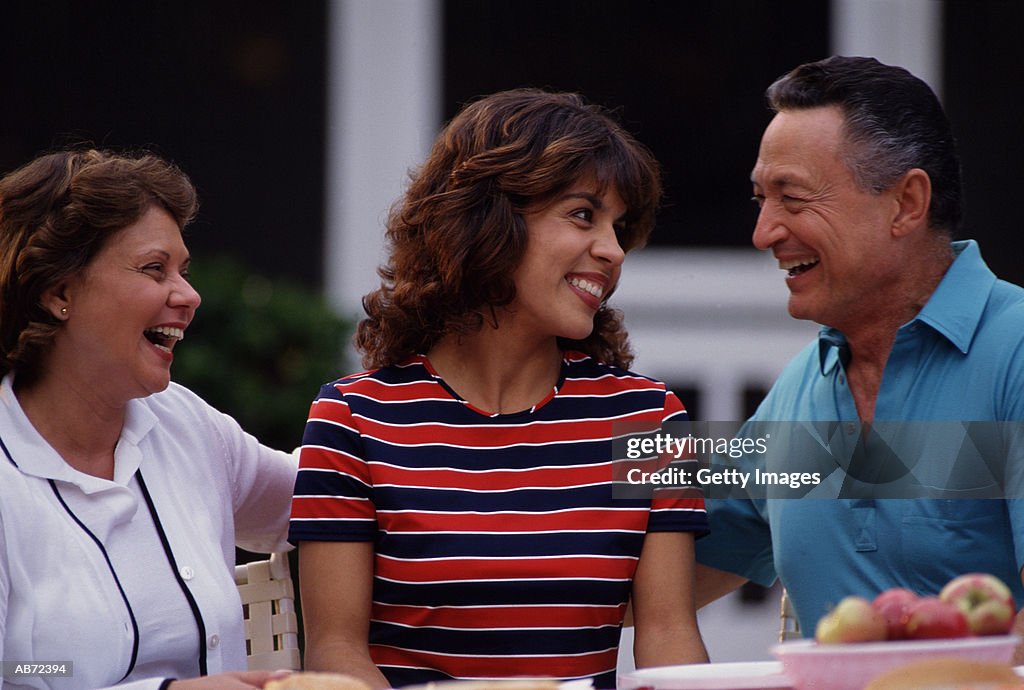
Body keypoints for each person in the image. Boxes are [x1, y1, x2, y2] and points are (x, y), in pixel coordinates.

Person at [288, 88, 710, 688]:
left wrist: (873, 461)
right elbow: (336, 654)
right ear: (490, 219)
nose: (613, 251)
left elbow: (670, 638)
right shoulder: (354, 419)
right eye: (583, 214)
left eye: (619, 227)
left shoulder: (650, 419)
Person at [693, 56, 1024, 644]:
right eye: (760, 200)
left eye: (792, 199)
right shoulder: (799, 391)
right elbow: (638, 582)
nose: (764, 232)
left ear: (905, 204)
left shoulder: (1015, 350)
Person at [0, 148, 298, 690]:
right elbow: (14, 671)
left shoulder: (184, 423)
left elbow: (324, 501)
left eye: (183, 271)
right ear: (58, 291)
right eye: (154, 269)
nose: (189, 296)